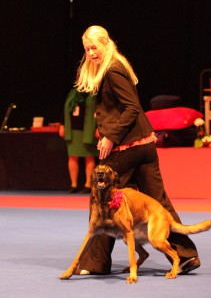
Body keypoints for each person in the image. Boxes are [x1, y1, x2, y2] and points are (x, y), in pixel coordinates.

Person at [73, 25, 200, 274]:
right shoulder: (116, 66)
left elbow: (133, 108)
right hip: (145, 145)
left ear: (106, 43)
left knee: (103, 196)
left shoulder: (112, 70)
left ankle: (95, 263)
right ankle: (186, 256)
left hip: (129, 146)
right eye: (87, 49)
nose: (90, 53)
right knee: (159, 202)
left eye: (94, 47)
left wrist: (110, 136)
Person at [59, 88, 98, 194]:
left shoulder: (93, 93)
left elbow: (100, 111)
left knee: (89, 156)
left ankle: (88, 184)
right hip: (73, 130)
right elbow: (66, 108)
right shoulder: (73, 92)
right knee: (72, 156)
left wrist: (99, 127)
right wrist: (62, 124)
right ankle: (74, 184)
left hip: (88, 129)